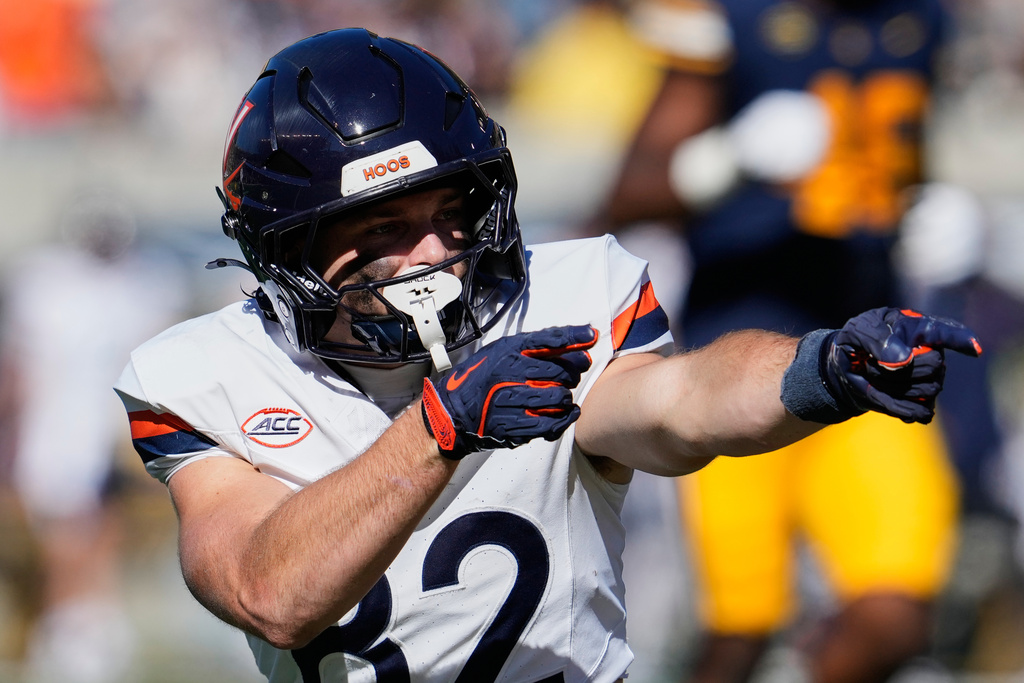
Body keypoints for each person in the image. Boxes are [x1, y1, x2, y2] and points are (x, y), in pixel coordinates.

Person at [113, 28, 981, 683]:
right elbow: (269, 594)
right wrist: (437, 429)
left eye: (449, 212)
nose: (432, 254)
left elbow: (679, 402)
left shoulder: (561, 297)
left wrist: (820, 368)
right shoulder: (206, 376)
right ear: (288, 252)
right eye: (382, 227)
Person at [604, 0, 966, 681]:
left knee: (896, 614)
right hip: (739, 361)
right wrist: (725, 159)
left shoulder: (922, 20)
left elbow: (899, 163)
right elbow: (625, 194)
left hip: (867, 353)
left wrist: (930, 210)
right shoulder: (729, 18)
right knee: (740, 630)